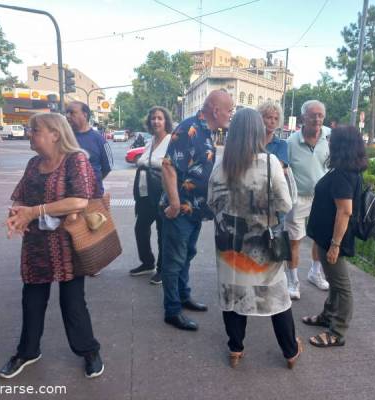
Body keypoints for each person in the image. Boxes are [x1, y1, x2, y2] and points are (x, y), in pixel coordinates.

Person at [0, 113, 104, 379]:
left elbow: (80, 200)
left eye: (35, 130)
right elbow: (19, 196)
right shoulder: (34, 164)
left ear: (55, 134)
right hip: (36, 243)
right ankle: (28, 351)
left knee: (72, 302)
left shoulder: (75, 159)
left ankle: (89, 350)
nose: (29, 134)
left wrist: (34, 211)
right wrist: (16, 215)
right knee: (32, 299)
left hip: (69, 242)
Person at [207, 108, 303, 369]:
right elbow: (285, 204)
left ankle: (235, 349)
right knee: (275, 296)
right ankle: (290, 351)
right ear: (258, 132)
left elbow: (211, 202)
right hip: (262, 245)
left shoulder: (220, 163)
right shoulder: (270, 163)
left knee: (232, 293)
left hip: (228, 246)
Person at [160, 89, 233, 331]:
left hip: (195, 210)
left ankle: (183, 296)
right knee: (174, 260)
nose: (230, 115)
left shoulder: (207, 132)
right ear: (215, 110)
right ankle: (172, 311)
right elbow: (169, 167)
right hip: (180, 209)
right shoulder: (188, 129)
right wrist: (173, 203)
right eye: (229, 110)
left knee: (187, 255)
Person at [304, 125, 367, 348]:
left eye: (332, 138)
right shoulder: (343, 169)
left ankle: (338, 331)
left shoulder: (342, 174)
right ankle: (327, 316)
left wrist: (334, 245)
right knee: (333, 281)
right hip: (326, 237)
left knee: (341, 285)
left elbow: (345, 211)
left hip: (334, 239)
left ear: (341, 144)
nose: (328, 140)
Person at [286, 100, 330, 299]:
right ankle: (293, 282)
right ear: (304, 117)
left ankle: (315, 272)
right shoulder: (291, 142)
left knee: (319, 239)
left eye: (321, 115)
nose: (317, 119)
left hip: (321, 199)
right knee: (294, 240)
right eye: (313, 115)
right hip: (297, 199)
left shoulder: (329, 137)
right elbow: (284, 171)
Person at [129, 106, 173, 285]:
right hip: (145, 194)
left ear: (166, 121)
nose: (156, 121)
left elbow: (170, 165)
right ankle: (147, 263)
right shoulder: (150, 141)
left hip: (162, 193)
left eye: (160, 118)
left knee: (162, 232)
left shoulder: (171, 140)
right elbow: (143, 161)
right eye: (153, 118)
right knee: (140, 228)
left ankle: (163, 269)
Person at [66, 101, 112, 197]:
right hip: (67, 197)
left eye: (72, 112)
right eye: (67, 112)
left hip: (93, 197)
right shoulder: (64, 138)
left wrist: (92, 180)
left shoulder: (99, 139)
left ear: (84, 114)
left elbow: (107, 167)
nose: (67, 116)